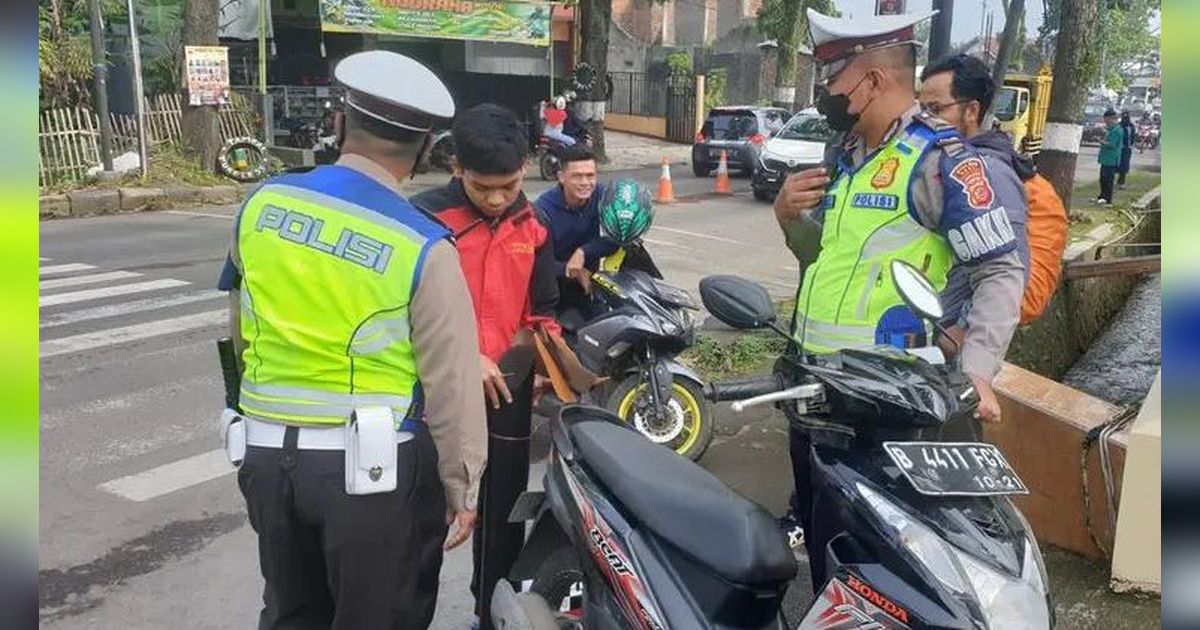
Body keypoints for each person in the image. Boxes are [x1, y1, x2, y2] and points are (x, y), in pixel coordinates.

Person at [216, 50, 487, 630]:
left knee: (291, 613)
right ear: (425, 148)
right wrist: (462, 487)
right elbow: (452, 382)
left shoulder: (261, 206)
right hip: (373, 477)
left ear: (340, 123)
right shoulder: (422, 246)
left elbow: (238, 330)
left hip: (266, 460)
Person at [773, 9, 1026, 588]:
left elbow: (1000, 269)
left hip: (884, 405)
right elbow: (827, 265)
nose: (825, 94)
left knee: (881, 569)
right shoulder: (849, 159)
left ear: (873, 80)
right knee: (825, 552)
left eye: (832, 78)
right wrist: (787, 218)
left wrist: (980, 371)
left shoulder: (941, 163)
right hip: (816, 393)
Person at [410, 104, 560, 630]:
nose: (497, 200)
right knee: (426, 516)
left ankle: (488, 614)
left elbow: (541, 310)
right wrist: (462, 356)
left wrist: (541, 361)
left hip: (508, 393)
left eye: (509, 185)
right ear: (457, 169)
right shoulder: (424, 220)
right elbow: (401, 313)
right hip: (437, 395)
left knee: (503, 516)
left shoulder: (534, 223)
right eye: (482, 188)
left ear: (526, 167)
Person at [532, 144, 618, 323]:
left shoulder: (604, 197)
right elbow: (534, 262)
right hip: (553, 294)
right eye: (577, 176)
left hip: (591, 287)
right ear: (561, 177)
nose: (585, 183)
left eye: (590, 176)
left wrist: (584, 251)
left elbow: (618, 237)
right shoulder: (543, 210)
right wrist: (570, 270)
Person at [1097, 109, 1122, 204]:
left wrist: (1101, 141)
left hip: (1111, 159)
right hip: (1105, 159)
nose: (1106, 123)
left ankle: (1107, 198)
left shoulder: (1116, 130)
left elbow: (1112, 144)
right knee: (1103, 178)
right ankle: (1102, 196)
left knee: (1108, 180)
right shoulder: (1110, 129)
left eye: (1107, 120)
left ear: (1111, 119)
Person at [1118, 111, 1136, 188]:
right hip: (1118, 148)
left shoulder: (1131, 126)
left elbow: (1132, 137)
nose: (1125, 119)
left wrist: (1131, 144)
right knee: (1116, 164)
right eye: (1123, 117)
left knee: (1124, 165)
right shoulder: (1118, 126)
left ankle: (1122, 182)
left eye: (1126, 117)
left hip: (1127, 148)